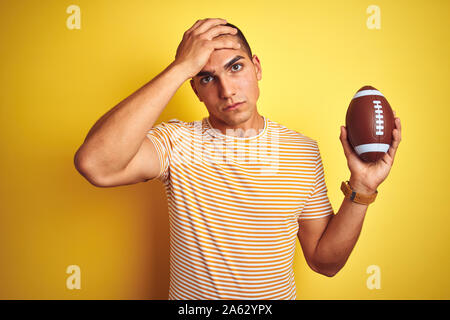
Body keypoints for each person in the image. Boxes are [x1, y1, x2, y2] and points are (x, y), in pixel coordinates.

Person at [74, 18, 402, 300]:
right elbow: (96, 164)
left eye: (235, 66)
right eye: (206, 77)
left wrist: (361, 188)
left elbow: (324, 262)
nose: (227, 90)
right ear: (195, 90)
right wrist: (180, 68)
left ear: (256, 67)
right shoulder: (175, 141)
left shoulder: (303, 151)